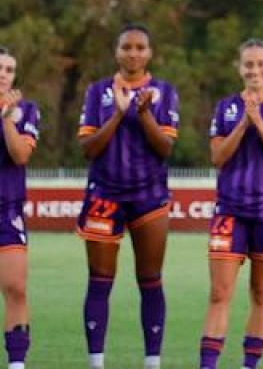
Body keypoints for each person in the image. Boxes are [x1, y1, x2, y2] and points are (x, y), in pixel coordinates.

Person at [77, 24, 179, 369]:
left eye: (140, 47)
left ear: (149, 53)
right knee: (99, 280)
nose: (133, 53)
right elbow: (88, 148)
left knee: (150, 280)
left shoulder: (164, 91)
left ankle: (152, 362)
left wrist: (144, 113)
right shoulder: (97, 92)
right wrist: (119, 113)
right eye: (127, 47)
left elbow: (165, 147)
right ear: (116, 51)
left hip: (149, 196)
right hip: (104, 195)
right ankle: (96, 362)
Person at [197, 39, 263, 369]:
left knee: (261, 294)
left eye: (260, 64)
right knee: (219, 294)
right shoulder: (226, 107)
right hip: (230, 209)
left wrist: (258, 121)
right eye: (248, 65)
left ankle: (249, 365)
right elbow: (217, 157)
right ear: (239, 69)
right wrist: (244, 120)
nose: (255, 70)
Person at [0, 48, 40, 369]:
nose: (4, 74)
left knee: (16, 288)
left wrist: (6, 119)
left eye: (10, 69)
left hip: (7, 210)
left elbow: (21, 156)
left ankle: (17, 364)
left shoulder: (26, 110)